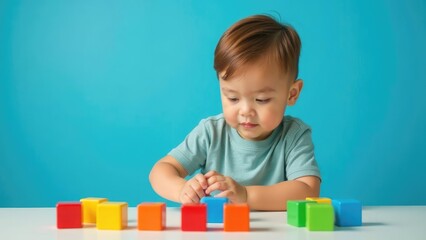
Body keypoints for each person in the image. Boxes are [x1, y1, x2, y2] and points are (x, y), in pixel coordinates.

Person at [149, 14, 321, 211]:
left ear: (292, 94)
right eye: (232, 98)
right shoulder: (211, 132)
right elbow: (160, 171)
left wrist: (246, 194)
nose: (246, 111)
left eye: (261, 100)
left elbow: (308, 189)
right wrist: (182, 189)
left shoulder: (293, 135)